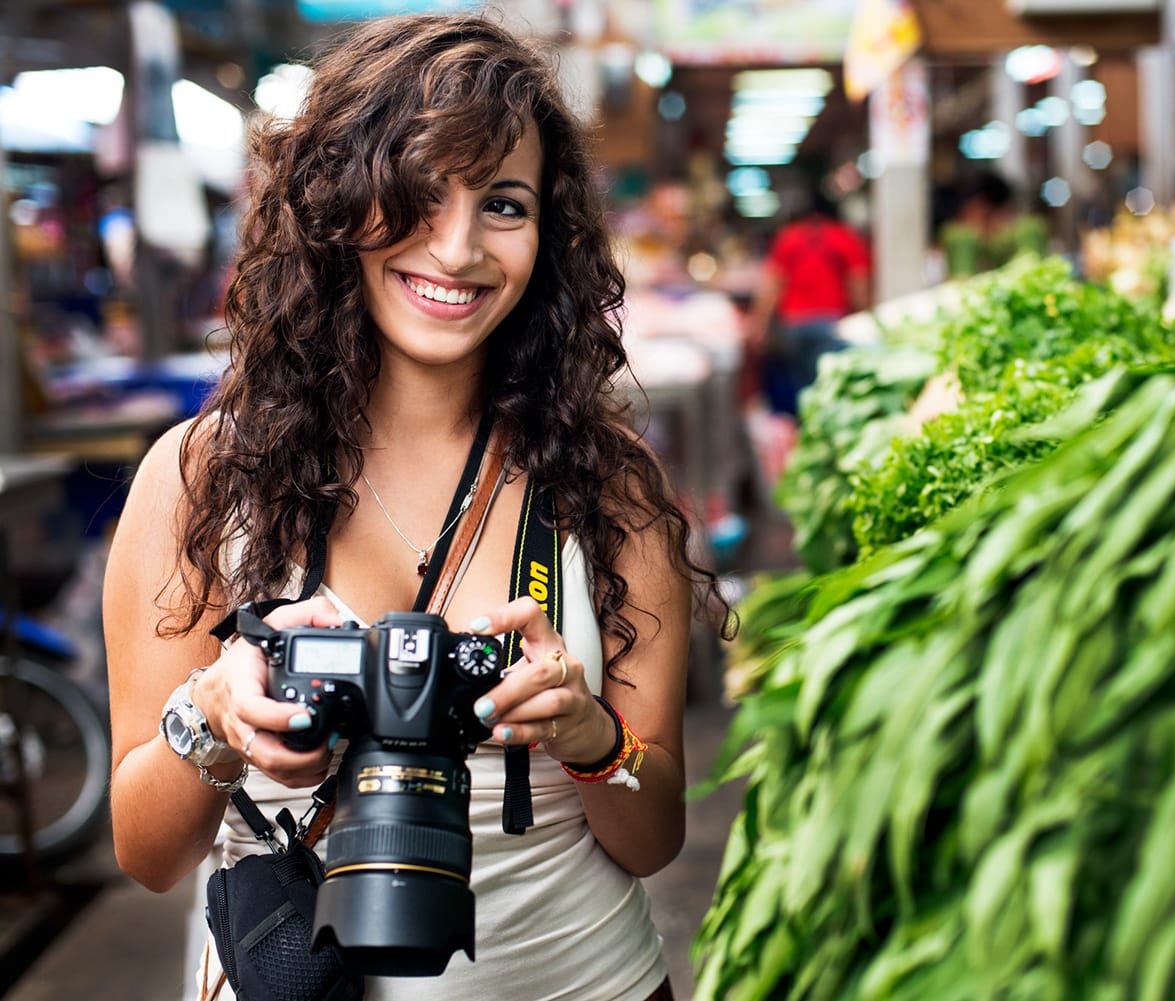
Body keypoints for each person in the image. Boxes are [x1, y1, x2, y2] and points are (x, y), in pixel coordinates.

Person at [102, 13, 727, 1001]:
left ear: (549, 235)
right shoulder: (203, 476)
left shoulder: (609, 489)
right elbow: (145, 850)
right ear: (341, 203)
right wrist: (212, 711)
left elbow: (655, 840)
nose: (458, 247)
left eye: (504, 204)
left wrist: (590, 736)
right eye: (418, 192)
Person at [745, 188, 871, 416]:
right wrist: (864, 317)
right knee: (829, 386)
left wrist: (759, 325)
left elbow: (772, 285)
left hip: (793, 326)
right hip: (831, 324)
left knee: (803, 388)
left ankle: (804, 430)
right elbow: (857, 284)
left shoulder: (789, 237)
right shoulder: (843, 236)